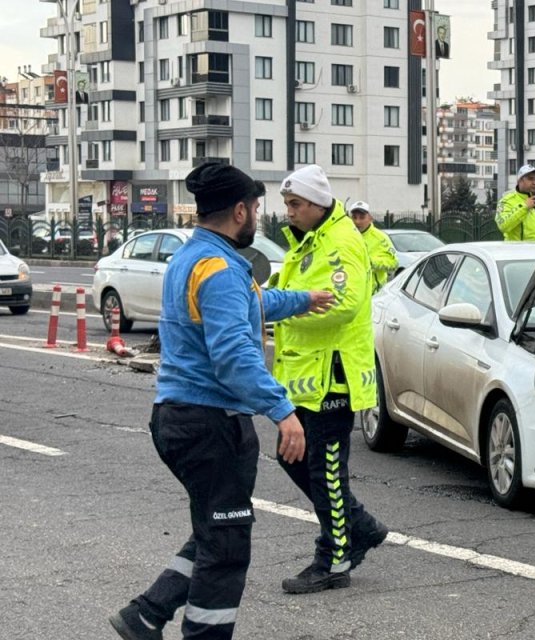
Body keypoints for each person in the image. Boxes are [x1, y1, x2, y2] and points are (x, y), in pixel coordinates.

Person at [109, 162, 332, 640]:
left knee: (215, 530)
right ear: (238, 211)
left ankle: (145, 615)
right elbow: (233, 356)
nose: (257, 216)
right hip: (209, 424)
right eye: (255, 208)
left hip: (179, 417)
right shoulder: (220, 270)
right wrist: (283, 410)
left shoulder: (196, 259)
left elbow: (249, 305)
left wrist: (302, 299)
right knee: (227, 545)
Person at [273, 165, 389, 595]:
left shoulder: (341, 241)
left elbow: (340, 303)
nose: (289, 213)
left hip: (332, 377)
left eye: (296, 204)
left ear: (319, 205)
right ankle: (359, 525)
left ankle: (334, 557)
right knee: (293, 457)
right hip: (308, 376)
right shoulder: (310, 240)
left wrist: (282, 306)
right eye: (287, 204)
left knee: (325, 471)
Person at [496, 163, 535, 241]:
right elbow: (502, 225)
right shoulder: (507, 200)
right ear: (520, 180)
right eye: (530, 179)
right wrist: (524, 207)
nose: (534, 182)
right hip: (520, 251)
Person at [348, 201, 398, 292]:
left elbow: (394, 263)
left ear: (370, 218)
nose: (357, 221)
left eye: (362, 217)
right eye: (354, 217)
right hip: (352, 292)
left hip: (374, 294)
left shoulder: (380, 238)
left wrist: (370, 262)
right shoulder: (346, 236)